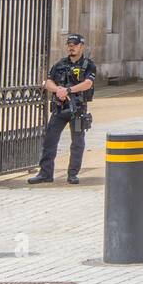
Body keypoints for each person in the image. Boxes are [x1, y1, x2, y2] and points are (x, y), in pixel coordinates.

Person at [30, 34, 97, 185]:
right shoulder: (60, 64)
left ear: (81, 46)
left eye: (74, 44)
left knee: (77, 143)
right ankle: (45, 173)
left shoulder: (88, 65)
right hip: (60, 109)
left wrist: (68, 90)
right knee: (50, 140)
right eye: (69, 44)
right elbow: (47, 82)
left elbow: (88, 84)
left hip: (78, 110)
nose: (71, 47)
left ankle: (72, 174)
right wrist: (58, 90)